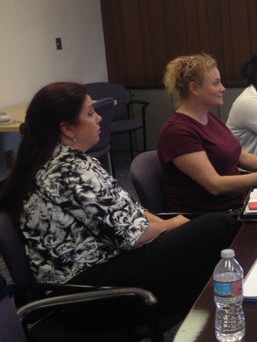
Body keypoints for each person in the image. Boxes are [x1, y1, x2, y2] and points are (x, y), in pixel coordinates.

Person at [0, 82, 239, 327]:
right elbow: (135, 236)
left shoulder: (69, 160)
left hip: (105, 266)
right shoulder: (65, 172)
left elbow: (131, 211)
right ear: (67, 128)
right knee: (218, 226)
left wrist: (170, 225)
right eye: (91, 113)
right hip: (85, 292)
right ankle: (213, 317)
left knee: (206, 232)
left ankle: (206, 316)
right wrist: (174, 224)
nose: (99, 118)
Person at [157, 53, 257, 212]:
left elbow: (241, 156)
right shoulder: (177, 133)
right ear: (194, 88)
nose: (223, 88)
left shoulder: (210, 118)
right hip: (211, 216)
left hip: (237, 203)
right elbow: (215, 184)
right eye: (216, 83)